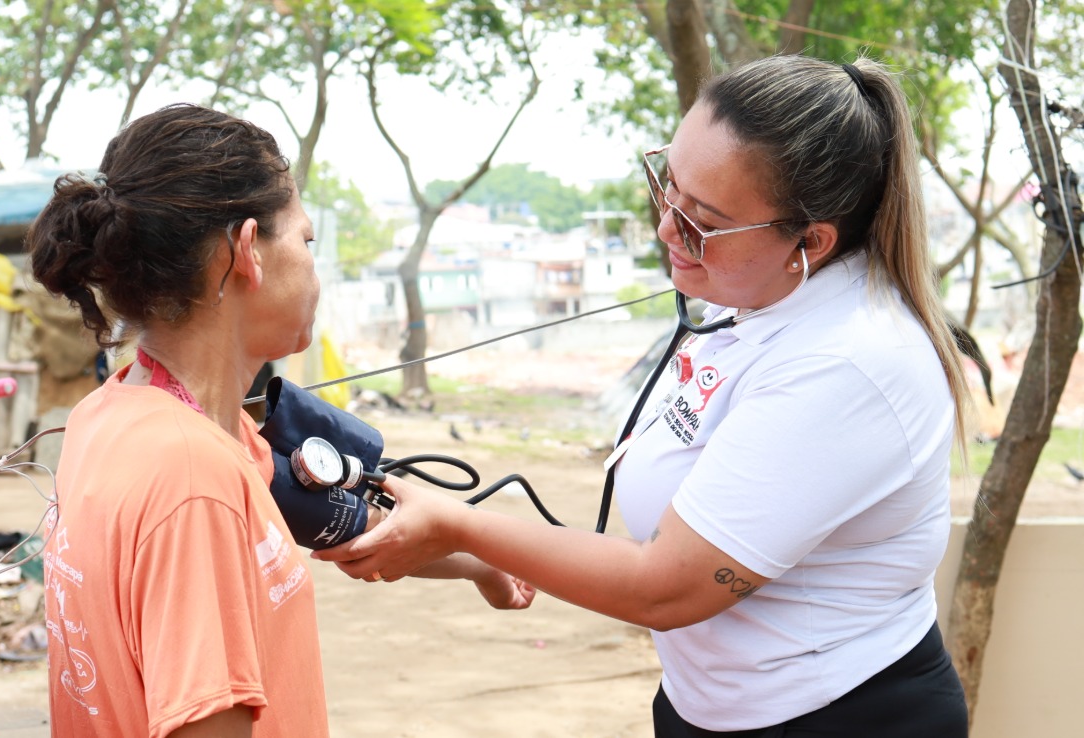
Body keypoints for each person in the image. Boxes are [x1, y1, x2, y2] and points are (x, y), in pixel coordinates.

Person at [317, 54, 972, 737]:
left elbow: (667, 584)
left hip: (835, 716)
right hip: (710, 703)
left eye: (703, 223)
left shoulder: (849, 363)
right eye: (669, 190)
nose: (667, 230)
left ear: (809, 242)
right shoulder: (752, 303)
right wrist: (487, 554)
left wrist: (461, 526)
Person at [28, 104, 531, 738]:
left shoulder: (126, 415)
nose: (313, 265)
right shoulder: (193, 479)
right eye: (306, 240)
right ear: (246, 251)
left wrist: (481, 555)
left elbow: (344, 522)